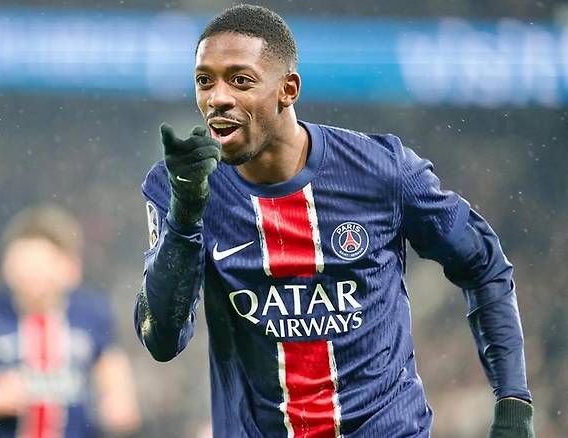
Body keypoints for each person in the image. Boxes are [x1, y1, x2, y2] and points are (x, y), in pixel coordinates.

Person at [135, 4, 533, 437]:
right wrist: (184, 216)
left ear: (288, 89)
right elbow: (162, 340)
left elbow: (483, 264)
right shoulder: (182, 186)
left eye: (240, 80)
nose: (218, 98)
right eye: (204, 81)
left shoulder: (381, 171)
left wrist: (513, 402)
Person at [0, 204, 141, 437]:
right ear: (7, 264)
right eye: (25, 263)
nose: (33, 274)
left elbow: (115, 378)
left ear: (71, 268)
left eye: (43, 264)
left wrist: (118, 403)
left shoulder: (92, 313)